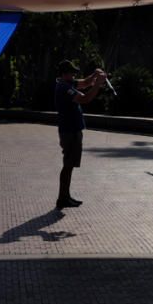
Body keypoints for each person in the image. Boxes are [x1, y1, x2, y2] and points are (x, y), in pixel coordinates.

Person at [54, 60, 106, 209]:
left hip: (73, 130)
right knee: (68, 165)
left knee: (69, 165)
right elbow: (85, 99)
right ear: (65, 73)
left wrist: (95, 75)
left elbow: (84, 83)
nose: (74, 74)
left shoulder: (68, 83)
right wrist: (98, 84)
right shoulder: (64, 87)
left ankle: (65, 196)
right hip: (69, 131)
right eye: (72, 72)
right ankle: (62, 198)